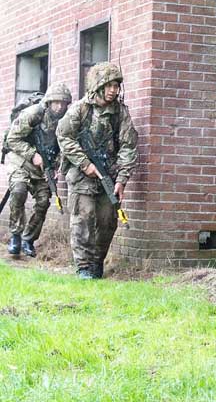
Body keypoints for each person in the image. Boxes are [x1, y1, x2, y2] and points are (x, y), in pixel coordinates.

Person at [56, 62, 138, 279]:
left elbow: (128, 146)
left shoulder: (120, 113)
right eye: (108, 85)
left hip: (108, 175)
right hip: (81, 174)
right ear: (98, 86)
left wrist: (121, 179)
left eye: (116, 85)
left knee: (107, 221)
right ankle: (83, 266)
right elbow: (64, 136)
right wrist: (85, 164)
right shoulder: (80, 109)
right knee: (84, 217)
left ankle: (96, 263)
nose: (113, 90)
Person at [5, 84, 72, 257]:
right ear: (49, 102)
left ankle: (28, 239)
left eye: (63, 103)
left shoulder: (66, 121)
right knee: (19, 191)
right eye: (56, 102)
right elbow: (12, 139)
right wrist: (32, 154)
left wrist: (58, 167)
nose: (59, 107)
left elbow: (64, 148)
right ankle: (15, 236)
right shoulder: (34, 113)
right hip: (20, 161)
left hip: (44, 167)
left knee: (43, 202)